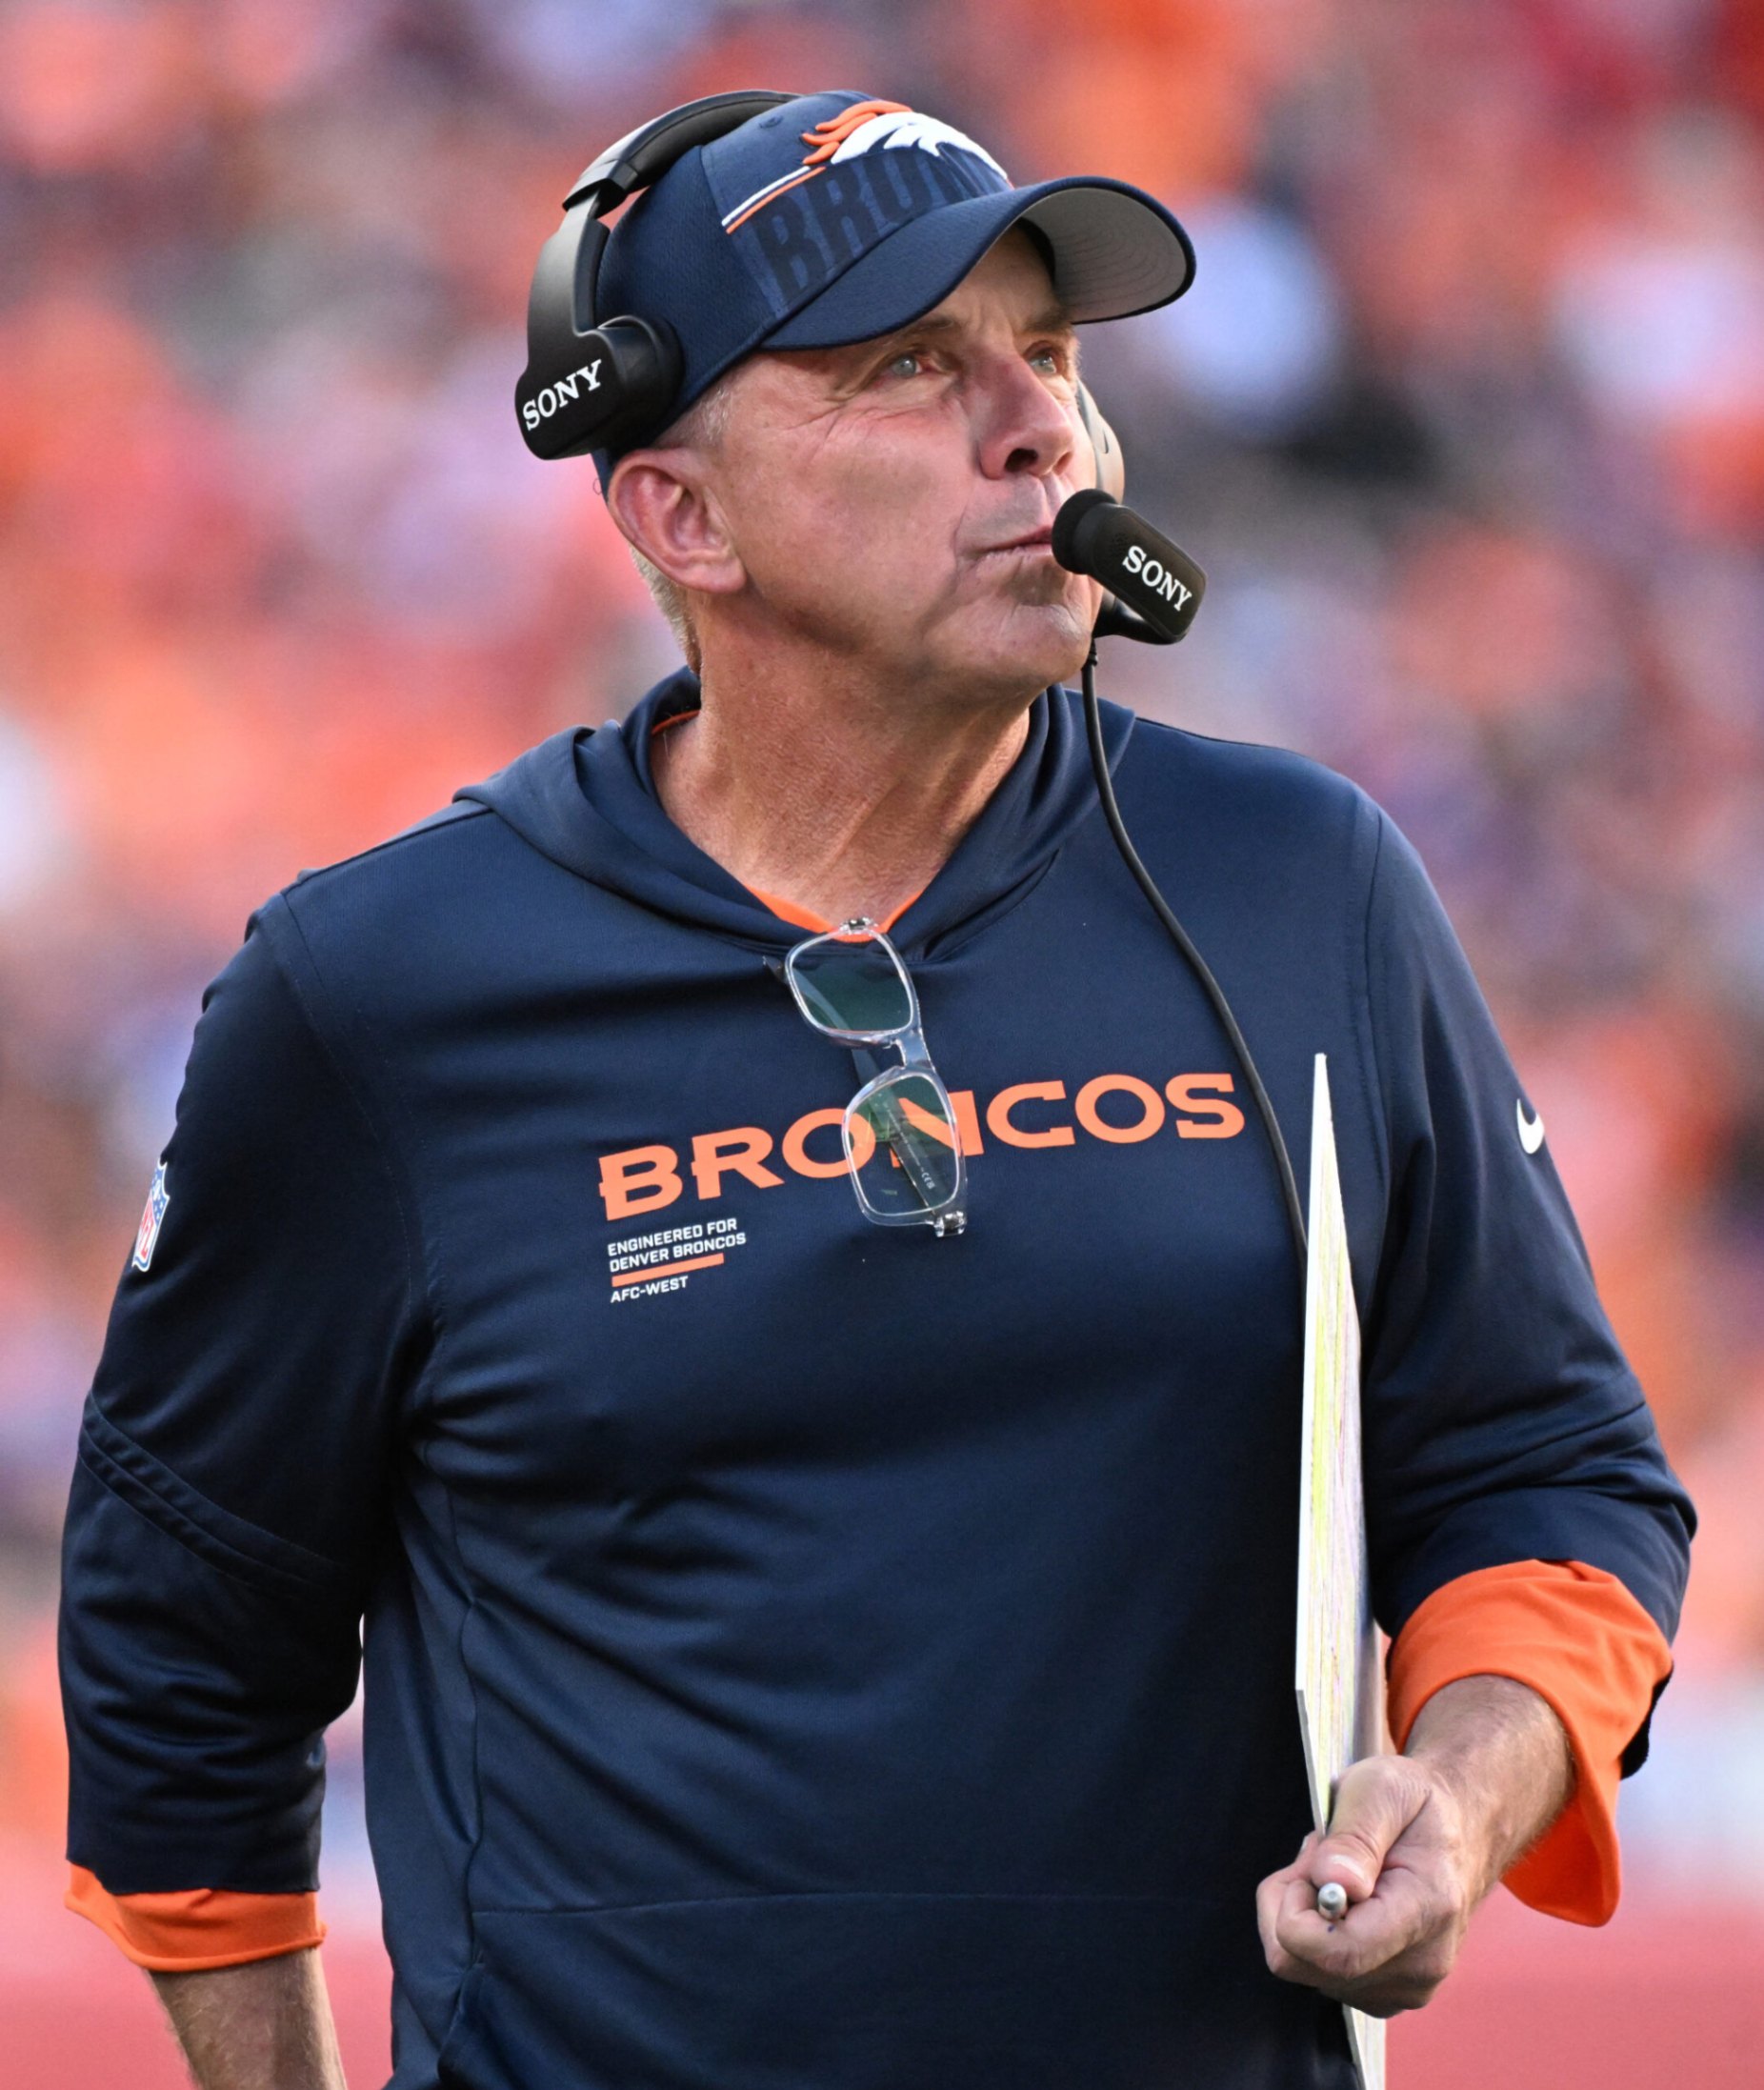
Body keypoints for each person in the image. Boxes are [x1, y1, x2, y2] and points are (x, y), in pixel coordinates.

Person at [59, 90, 1693, 2090]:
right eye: (908, 366)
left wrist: (1464, 1783)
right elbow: (181, 1649)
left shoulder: (1305, 884)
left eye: (1052, 355)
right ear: (682, 515)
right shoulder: (375, 990)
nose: (1038, 430)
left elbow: (1547, 1467)